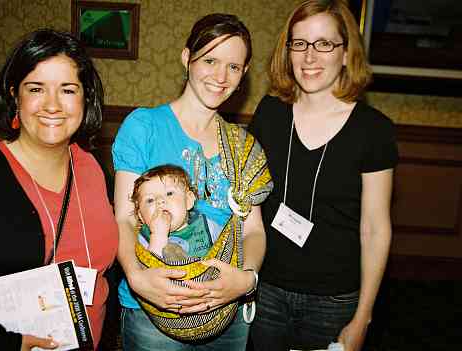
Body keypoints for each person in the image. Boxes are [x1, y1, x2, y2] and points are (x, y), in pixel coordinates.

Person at [0, 29, 118, 350]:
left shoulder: (92, 168)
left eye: (67, 89)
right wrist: (2, 342)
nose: (52, 105)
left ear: (85, 98)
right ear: (14, 96)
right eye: (36, 88)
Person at [112, 13, 270, 350]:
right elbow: (124, 217)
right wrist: (138, 278)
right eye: (210, 59)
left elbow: (253, 230)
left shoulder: (243, 147)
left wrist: (245, 280)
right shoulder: (144, 126)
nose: (220, 76)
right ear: (187, 58)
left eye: (233, 66)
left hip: (227, 310)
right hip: (154, 307)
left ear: (243, 74)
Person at [248, 1, 398, 351]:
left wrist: (363, 316)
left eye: (324, 44)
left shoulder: (374, 130)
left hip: (334, 302)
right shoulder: (268, 114)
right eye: (299, 43)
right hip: (265, 288)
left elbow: (375, 228)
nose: (309, 56)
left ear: (346, 54)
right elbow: (246, 199)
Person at [131, 164, 212, 261]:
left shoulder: (207, 226)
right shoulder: (142, 240)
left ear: (188, 200)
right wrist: (158, 236)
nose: (160, 201)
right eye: (150, 200)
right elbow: (149, 270)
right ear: (141, 217)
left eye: (169, 193)